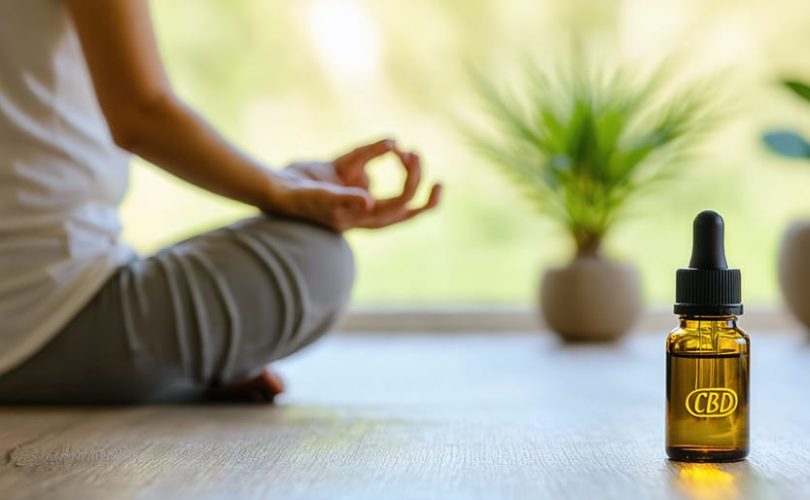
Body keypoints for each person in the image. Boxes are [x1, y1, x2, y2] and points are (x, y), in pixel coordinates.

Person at [0, 0, 441, 403]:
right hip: (35, 324)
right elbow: (141, 112)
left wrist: (288, 183)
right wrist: (280, 192)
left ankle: (174, 357)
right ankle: (154, 365)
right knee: (317, 259)